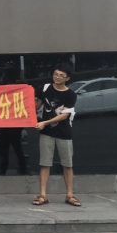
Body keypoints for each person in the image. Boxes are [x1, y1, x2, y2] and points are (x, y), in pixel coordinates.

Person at [33, 62, 79, 206]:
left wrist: (45, 122)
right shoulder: (45, 88)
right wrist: (33, 98)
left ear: (67, 78)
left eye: (61, 75)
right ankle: (42, 195)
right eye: (55, 74)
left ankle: (70, 195)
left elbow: (64, 116)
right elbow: (37, 106)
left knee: (67, 165)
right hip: (46, 133)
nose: (57, 77)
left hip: (64, 133)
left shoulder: (71, 95)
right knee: (45, 164)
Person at [0, 67, 28, 176]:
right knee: (17, 149)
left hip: (7, 125)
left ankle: (3, 173)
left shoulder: (3, 89)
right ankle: (23, 170)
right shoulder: (19, 89)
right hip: (14, 126)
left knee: (5, 152)